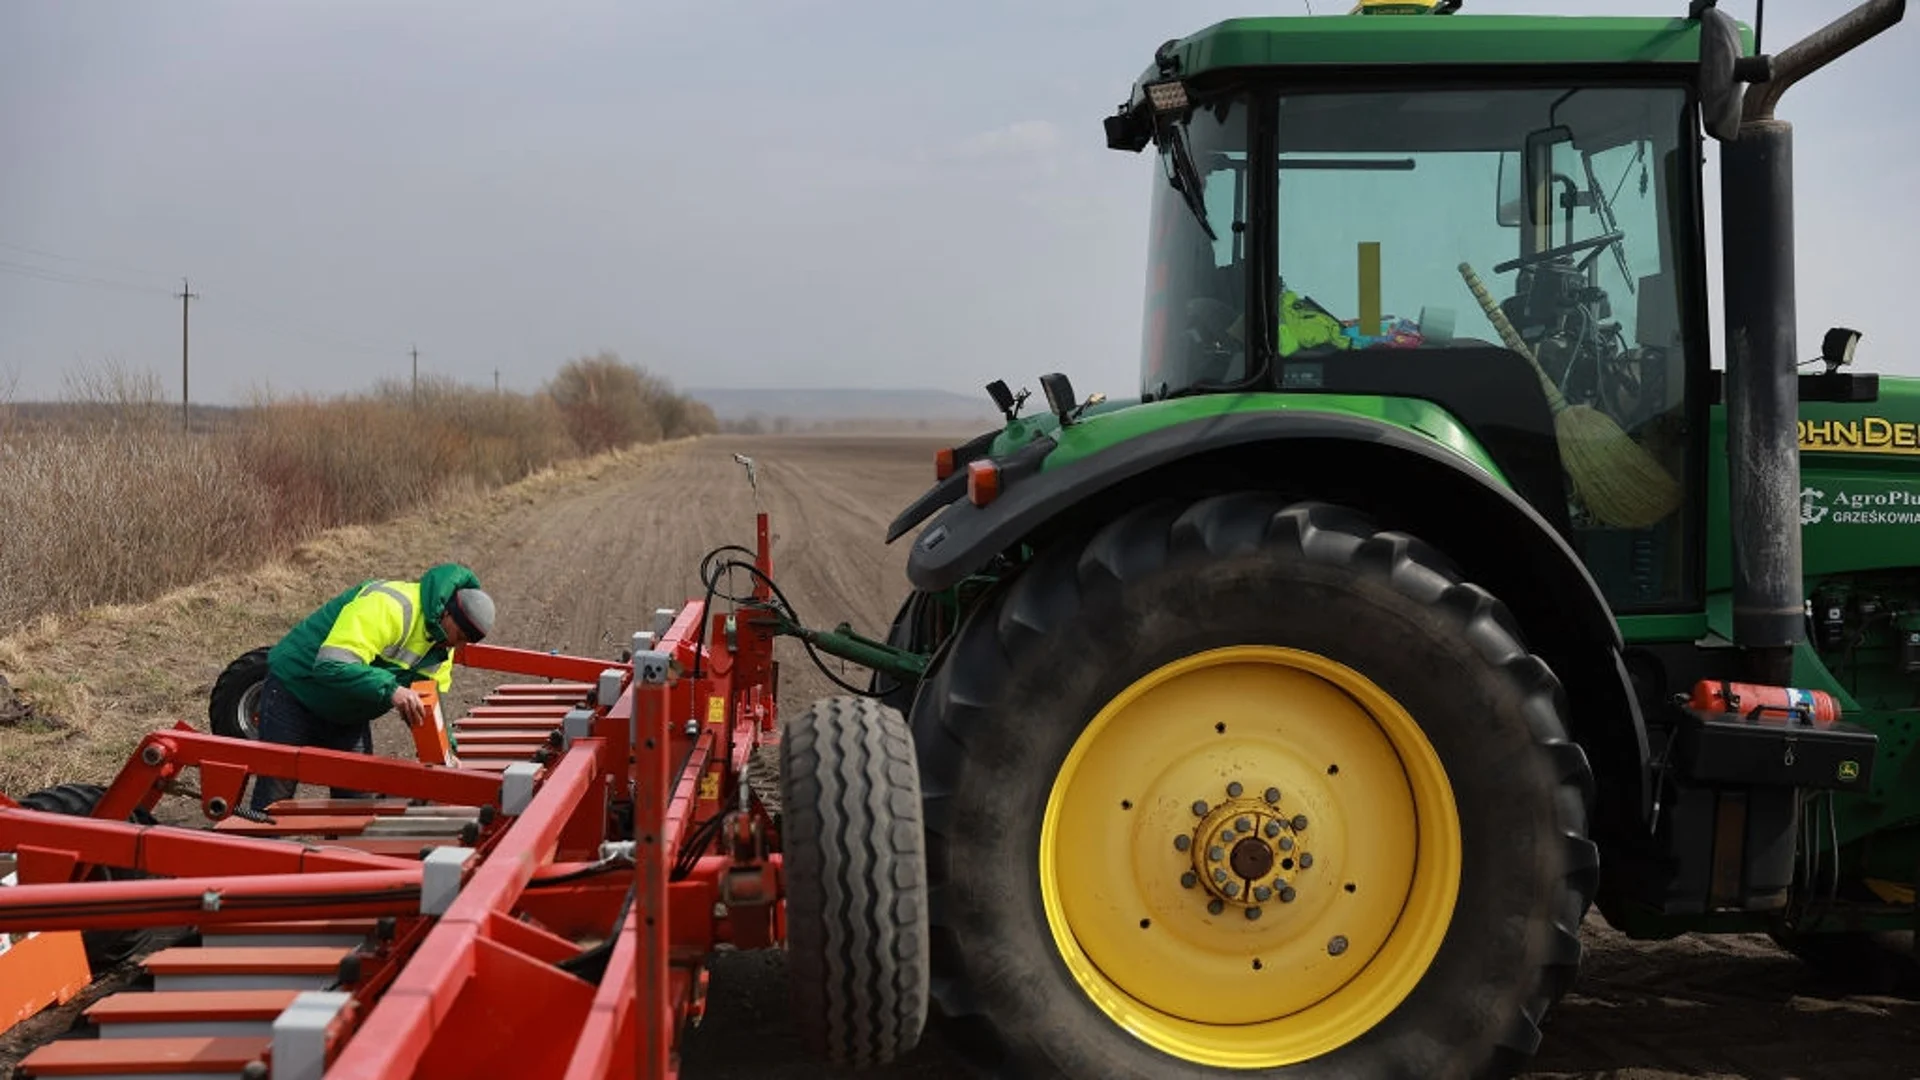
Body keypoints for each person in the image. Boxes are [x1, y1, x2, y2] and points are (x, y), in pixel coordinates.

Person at [246, 563, 495, 813]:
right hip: (297, 691)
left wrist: (447, 755)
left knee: (356, 804)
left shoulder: (442, 649)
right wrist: (392, 690)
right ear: (448, 614)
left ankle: (334, 852)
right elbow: (331, 665)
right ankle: (248, 849)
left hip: (347, 712)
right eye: (460, 636)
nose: (458, 646)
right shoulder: (392, 606)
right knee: (275, 796)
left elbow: (429, 705)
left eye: (466, 642)